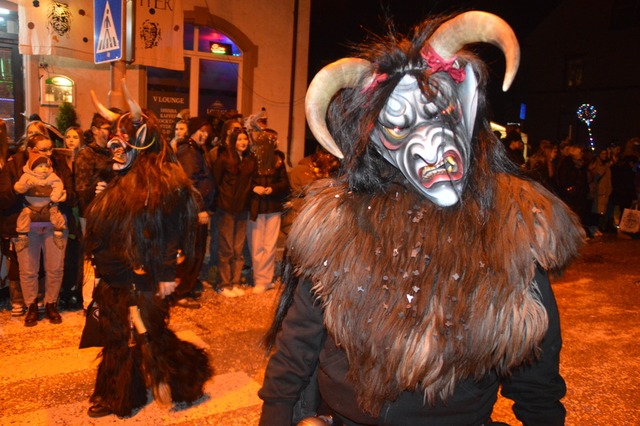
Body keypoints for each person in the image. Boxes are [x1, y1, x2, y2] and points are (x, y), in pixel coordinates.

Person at [258, 11, 585, 426]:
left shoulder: (509, 228)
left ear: (465, 113)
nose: (429, 143)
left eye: (440, 113)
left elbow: (535, 371)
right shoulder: (339, 224)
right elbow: (298, 345)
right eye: (398, 125)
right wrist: (278, 414)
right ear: (378, 140)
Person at [84, 87, 213, 418]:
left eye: (125, 140)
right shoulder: (115, 178)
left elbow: (171, 229)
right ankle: (119, 395)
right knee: (116, 334)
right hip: (114, 272)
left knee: (149, 335)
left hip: (146, 274)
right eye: (115, 139)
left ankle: (185, 379)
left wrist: (168, 273)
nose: (116, 147)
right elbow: (100, 227)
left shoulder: (164, 181)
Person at [0, 133, 74, 327]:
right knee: (27, 270)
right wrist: (18, 189)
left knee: (55, 268)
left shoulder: (58, 164)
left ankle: (51, 304)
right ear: (31, 149)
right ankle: (31, 305)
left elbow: (73, 193)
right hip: (26, 226)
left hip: (55, 224)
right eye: (43, 150)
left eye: (50, 148)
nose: (49, 153)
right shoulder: (14, 166)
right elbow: (3, 199)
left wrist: (64, 196)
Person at [174, 116, 215, 306]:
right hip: (191, 213)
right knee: (190, 252)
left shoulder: (196, 150)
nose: (205, 135)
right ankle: (180, 292)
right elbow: (189, 183)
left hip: (194, 211)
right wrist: (199, 209)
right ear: (193, 131)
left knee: (196, 251)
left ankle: (187, 288)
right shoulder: (189, 152)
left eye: (207, 132)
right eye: (202, 131)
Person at [213, 129, 256, 297]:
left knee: (238, 248)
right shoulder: (224, 158)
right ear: (233, 141)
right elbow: (216, 181)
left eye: (245, 139)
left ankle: (235, 282)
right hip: (226, 208)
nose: (243, 142)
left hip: (242, 208)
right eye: (239, 139)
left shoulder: (250, 160)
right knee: (226, 248)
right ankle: (224, 283)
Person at [248, 129, 290, 294]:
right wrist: (254, 188)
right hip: (256, 209)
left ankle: (267, 279)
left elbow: (285, 184)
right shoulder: (252, 160)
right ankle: (259, 279)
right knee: (257, 245)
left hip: (273, 208)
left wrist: (272, 188)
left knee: (270, 245)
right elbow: (245, 181)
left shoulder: (278, 160)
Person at [13, 150, 67, 250]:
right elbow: (19, 187)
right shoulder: (27, 176)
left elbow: (58, 185)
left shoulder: (52, 176)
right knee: (23, 218)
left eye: (46, 166)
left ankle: (58, 234)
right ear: (32, 167)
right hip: (30, 206)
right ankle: (22, 238)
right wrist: (25, 186)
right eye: (40, 166)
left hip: (49, 205)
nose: (44, 169)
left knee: (57, 216)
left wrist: (56, 195)